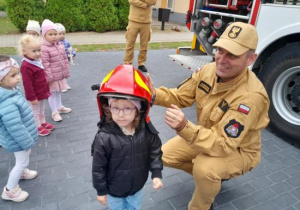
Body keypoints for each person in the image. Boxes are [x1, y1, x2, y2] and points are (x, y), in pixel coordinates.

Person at [147, 22, 270, 210]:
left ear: (250, 59)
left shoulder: (251, 98)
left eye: (232, 55)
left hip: (239, 150)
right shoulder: (208, 71)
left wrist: (183, 127)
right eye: (220, 50)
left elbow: (225, 143)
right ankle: (212, 181)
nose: (221, 59)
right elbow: (180, 96)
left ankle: (202, 204)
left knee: (204, 168)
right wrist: (151, 94)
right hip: (208, 136)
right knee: (163, 156)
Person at [92, 64, 163, 210]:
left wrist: (156, 173)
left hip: (137, 187)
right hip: (114, 191)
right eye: (115, 108)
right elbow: (98, 167)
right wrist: (100, 190)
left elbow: (155, 152)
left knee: (134, 207)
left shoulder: (146, 131)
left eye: (127, 108)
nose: (120, 114)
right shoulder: (104, 137)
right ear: (108, 108)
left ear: (138, 110)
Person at [0, 56, 39, 202]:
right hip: (19, 139)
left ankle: (22, 172)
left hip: (21, 138)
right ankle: (10, 190)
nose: (18, 78)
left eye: (18, 73)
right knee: (21, 161)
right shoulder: (7, 101)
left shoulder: (10, 90)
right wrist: (27, 142)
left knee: (22, 159)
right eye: (13, 75)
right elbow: (15, 126)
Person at [19, 34, 55, 136]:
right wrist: (32, 97)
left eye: (39, 50)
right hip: (34, 95)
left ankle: (42, 122)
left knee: (42, 109)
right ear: (24, 51)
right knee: (35, 111)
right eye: (34, 51)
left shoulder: (36, 61)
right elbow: (27, 84)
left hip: (42, 91)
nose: (38, 53)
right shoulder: (26, 66)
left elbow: (42, 77)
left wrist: (46, 89)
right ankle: (37, 127)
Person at [40, 19, 71, 122]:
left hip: (59, 75)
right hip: (52, 77)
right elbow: (45, 64)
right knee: (52, 93)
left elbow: (65, 60)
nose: (54, 36)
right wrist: (49, 78)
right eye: (50, 34)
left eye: (55, 34)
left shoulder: (59, 45)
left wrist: (66, 71)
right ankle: (54, 112)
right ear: (44, 35)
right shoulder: (44, 48)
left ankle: (59, 107)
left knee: (59, 91)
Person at [123, 0, 157, 73]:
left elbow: (153, 1)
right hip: (133, 20)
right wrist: (144, 4)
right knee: (130, 44)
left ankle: (141, 63)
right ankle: (128, 62)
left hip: (146, 22)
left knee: (144, 45)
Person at [55, 23, 75, 92]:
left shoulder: (66, 42)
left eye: (63, 34)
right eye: (60, 34)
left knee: (64, 73)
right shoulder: (55, 43)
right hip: (58, 61)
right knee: (59, 74)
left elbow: (71, 48)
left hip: (65, 60)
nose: (62, 35)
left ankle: (65, 84)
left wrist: (72, 54)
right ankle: (61, 86)